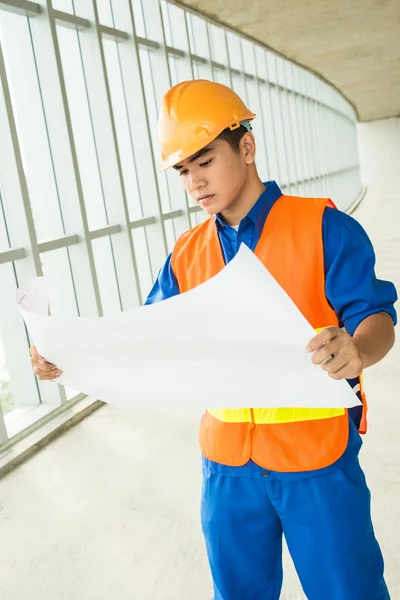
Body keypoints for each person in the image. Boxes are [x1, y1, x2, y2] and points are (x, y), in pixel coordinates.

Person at [31, 80, 397, 600]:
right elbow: (145, 338)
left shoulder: (325, 227)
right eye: (183, 171)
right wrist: (64, 357)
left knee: (349, 590)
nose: (194, 182)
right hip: (226, 466)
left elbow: (377, 316)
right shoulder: (187, 252)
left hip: (316, 458)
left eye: (204, 161)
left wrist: (358, 348)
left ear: (246, 148)